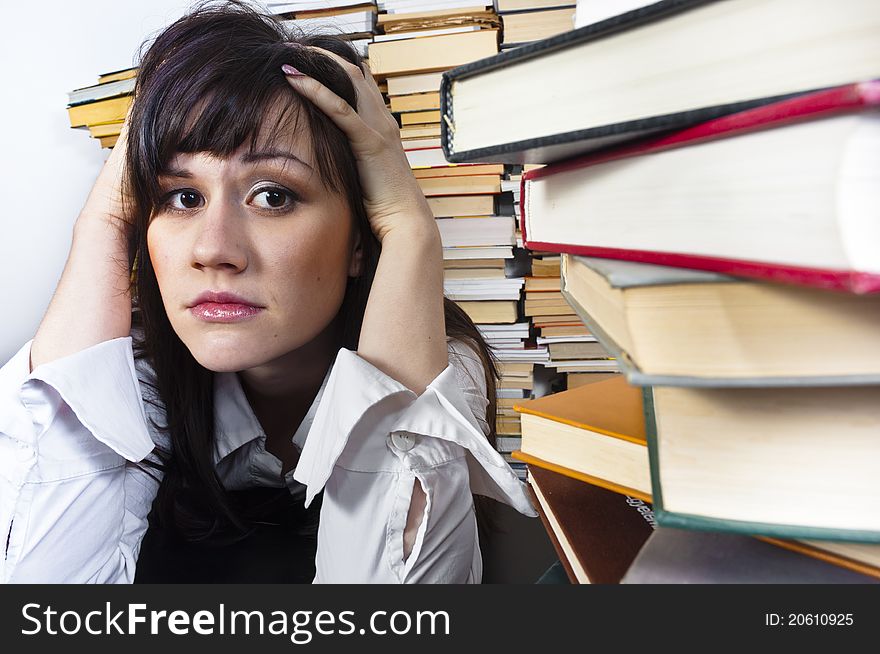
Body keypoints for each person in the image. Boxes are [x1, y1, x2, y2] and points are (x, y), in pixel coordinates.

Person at [0, 0, 536, 584]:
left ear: (361, 239)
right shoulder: (134, 361)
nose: (213, 250)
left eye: (273, 196)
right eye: (182, 196)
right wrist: (101, 222)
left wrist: (409, 228)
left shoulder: (430, 361)